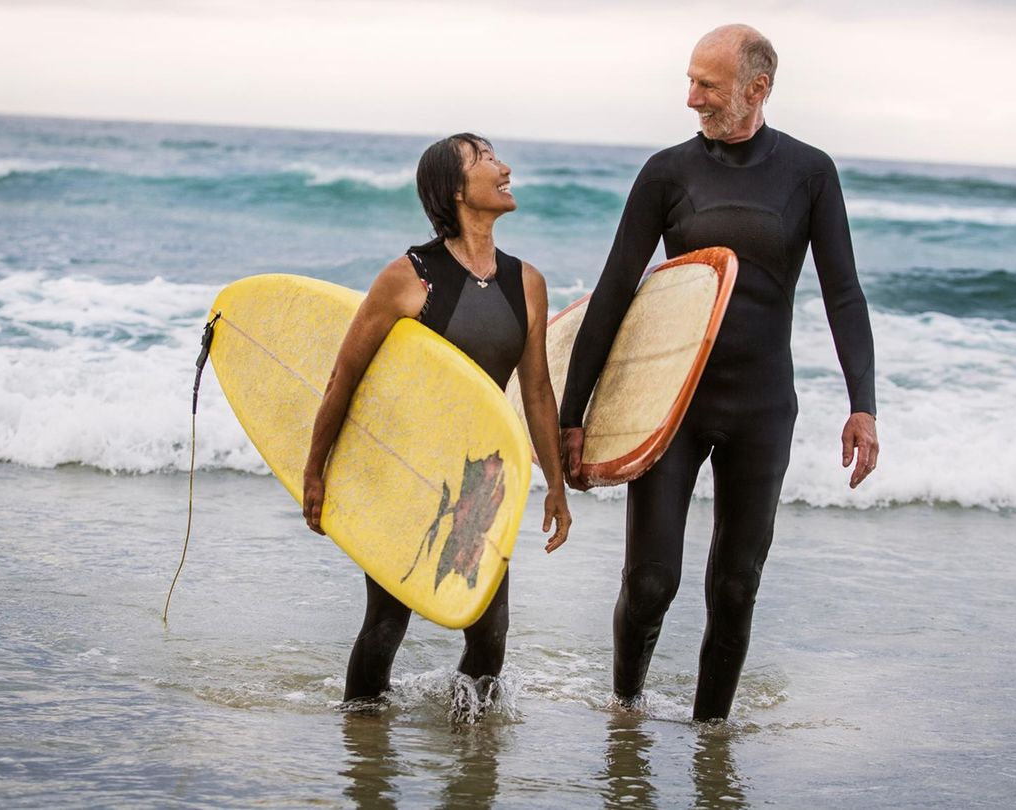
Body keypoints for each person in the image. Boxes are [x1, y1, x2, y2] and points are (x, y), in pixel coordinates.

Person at [559, 25, 880, 721]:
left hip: (762, 408)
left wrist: (864, 405)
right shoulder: (667, 173)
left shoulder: (809, 173)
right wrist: (571, 416)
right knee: (650, 582)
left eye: (707, 85)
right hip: (669, 406)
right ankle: (626, 708)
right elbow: (616, 290)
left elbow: (843, 293)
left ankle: (712, 736)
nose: (691, 98)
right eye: (691, 80)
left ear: (755, 89)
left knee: (736, 587)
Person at [303, 133, 572, 707]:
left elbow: (539, 390)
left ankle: (469, 763)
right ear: (455, 190)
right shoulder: (408, 276)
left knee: (489, 635)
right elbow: (343, 379)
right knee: (385, 623)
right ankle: (365, 741)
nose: (505, 168)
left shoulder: (527, 283)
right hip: (409, 472)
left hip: (484, 478)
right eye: (486, 160)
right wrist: (315, 471)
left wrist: (556, 484)